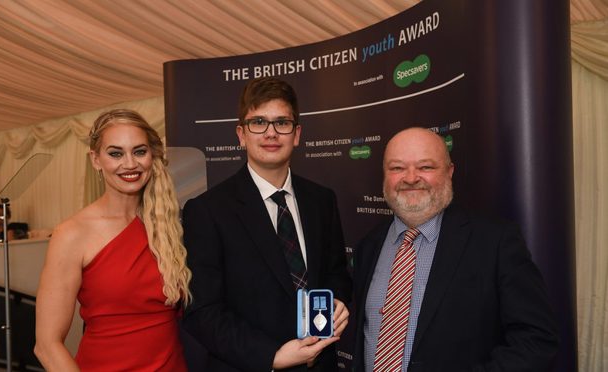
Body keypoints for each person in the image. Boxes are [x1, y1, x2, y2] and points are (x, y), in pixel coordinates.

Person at [353, 127, 559, 372]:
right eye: (397, 168)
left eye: (426, 167)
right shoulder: (368, 246)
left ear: (449, 172)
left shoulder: (495, 242)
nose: (410, 178)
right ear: (384, 175)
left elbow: (536, 339)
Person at [182, 77, 352, 371]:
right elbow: (202, 312)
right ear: (241, 134)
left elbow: (336, 273)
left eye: (282, 123)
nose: (271, 133)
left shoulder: (322, 200)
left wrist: (337, 303)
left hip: (320, 363)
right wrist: (273, 356)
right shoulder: (207, 211)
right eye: (258, 122)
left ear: (296, 134)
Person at [34, 109, 192, 371]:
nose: (129, 164)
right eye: (115, 153)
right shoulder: (71, 234)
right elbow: (47, 345)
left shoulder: (169, 225)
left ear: (152, 155)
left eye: (139, 151)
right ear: (96, 159)